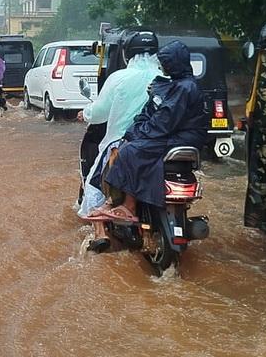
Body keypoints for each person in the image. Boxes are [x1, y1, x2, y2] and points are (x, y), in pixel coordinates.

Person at [86, 40, 207, 235]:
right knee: (128, 146)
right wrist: (134, 132)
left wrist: (137, 134)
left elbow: (164, 121)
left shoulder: (183, 88)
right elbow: (152, 114)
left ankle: (127, 206)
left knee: (129, 151)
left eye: (166, 63)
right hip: (177, 134)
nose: (163, 67)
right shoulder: (174, 85)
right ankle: (122, 203)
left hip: (182, 137)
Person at [77, 32, 164, 251]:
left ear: (127, 54)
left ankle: (100, 232)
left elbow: (100, 112)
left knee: (93, 186)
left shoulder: (119, 78)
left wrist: (85, 114)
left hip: (120, 142)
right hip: (161, 146)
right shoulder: (166, 79)